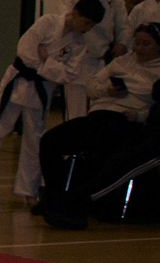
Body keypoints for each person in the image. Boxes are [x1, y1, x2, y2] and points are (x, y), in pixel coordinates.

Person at [0, 0, 100, 204]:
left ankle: (28, 190)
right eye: (86, 22)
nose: (87, 28)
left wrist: (47, 61)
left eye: (91, 25)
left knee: (33, 141)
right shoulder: (48, 22)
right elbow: (25, 51)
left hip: (42, 90)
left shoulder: (79, 43)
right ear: (75, 13)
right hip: (18, 81)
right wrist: (49, 67)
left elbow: (69, 75)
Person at [37, 22, 160, 227]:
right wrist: (107, 91)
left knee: (112, 154)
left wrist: (138, 115)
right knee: (50, 141)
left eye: (146, 44)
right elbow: (92, 86)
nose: (139, 48)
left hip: (125, 120)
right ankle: (54, 195)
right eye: (137, 43)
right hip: (100, 114)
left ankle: (74, 203)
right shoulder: (121, 62)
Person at [59, 0, 129, 117]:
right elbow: (79, 24)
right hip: (82, 57)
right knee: (77, 113)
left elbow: (123, 24)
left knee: (93, 111)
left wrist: (121, 43)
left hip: (100, 58)